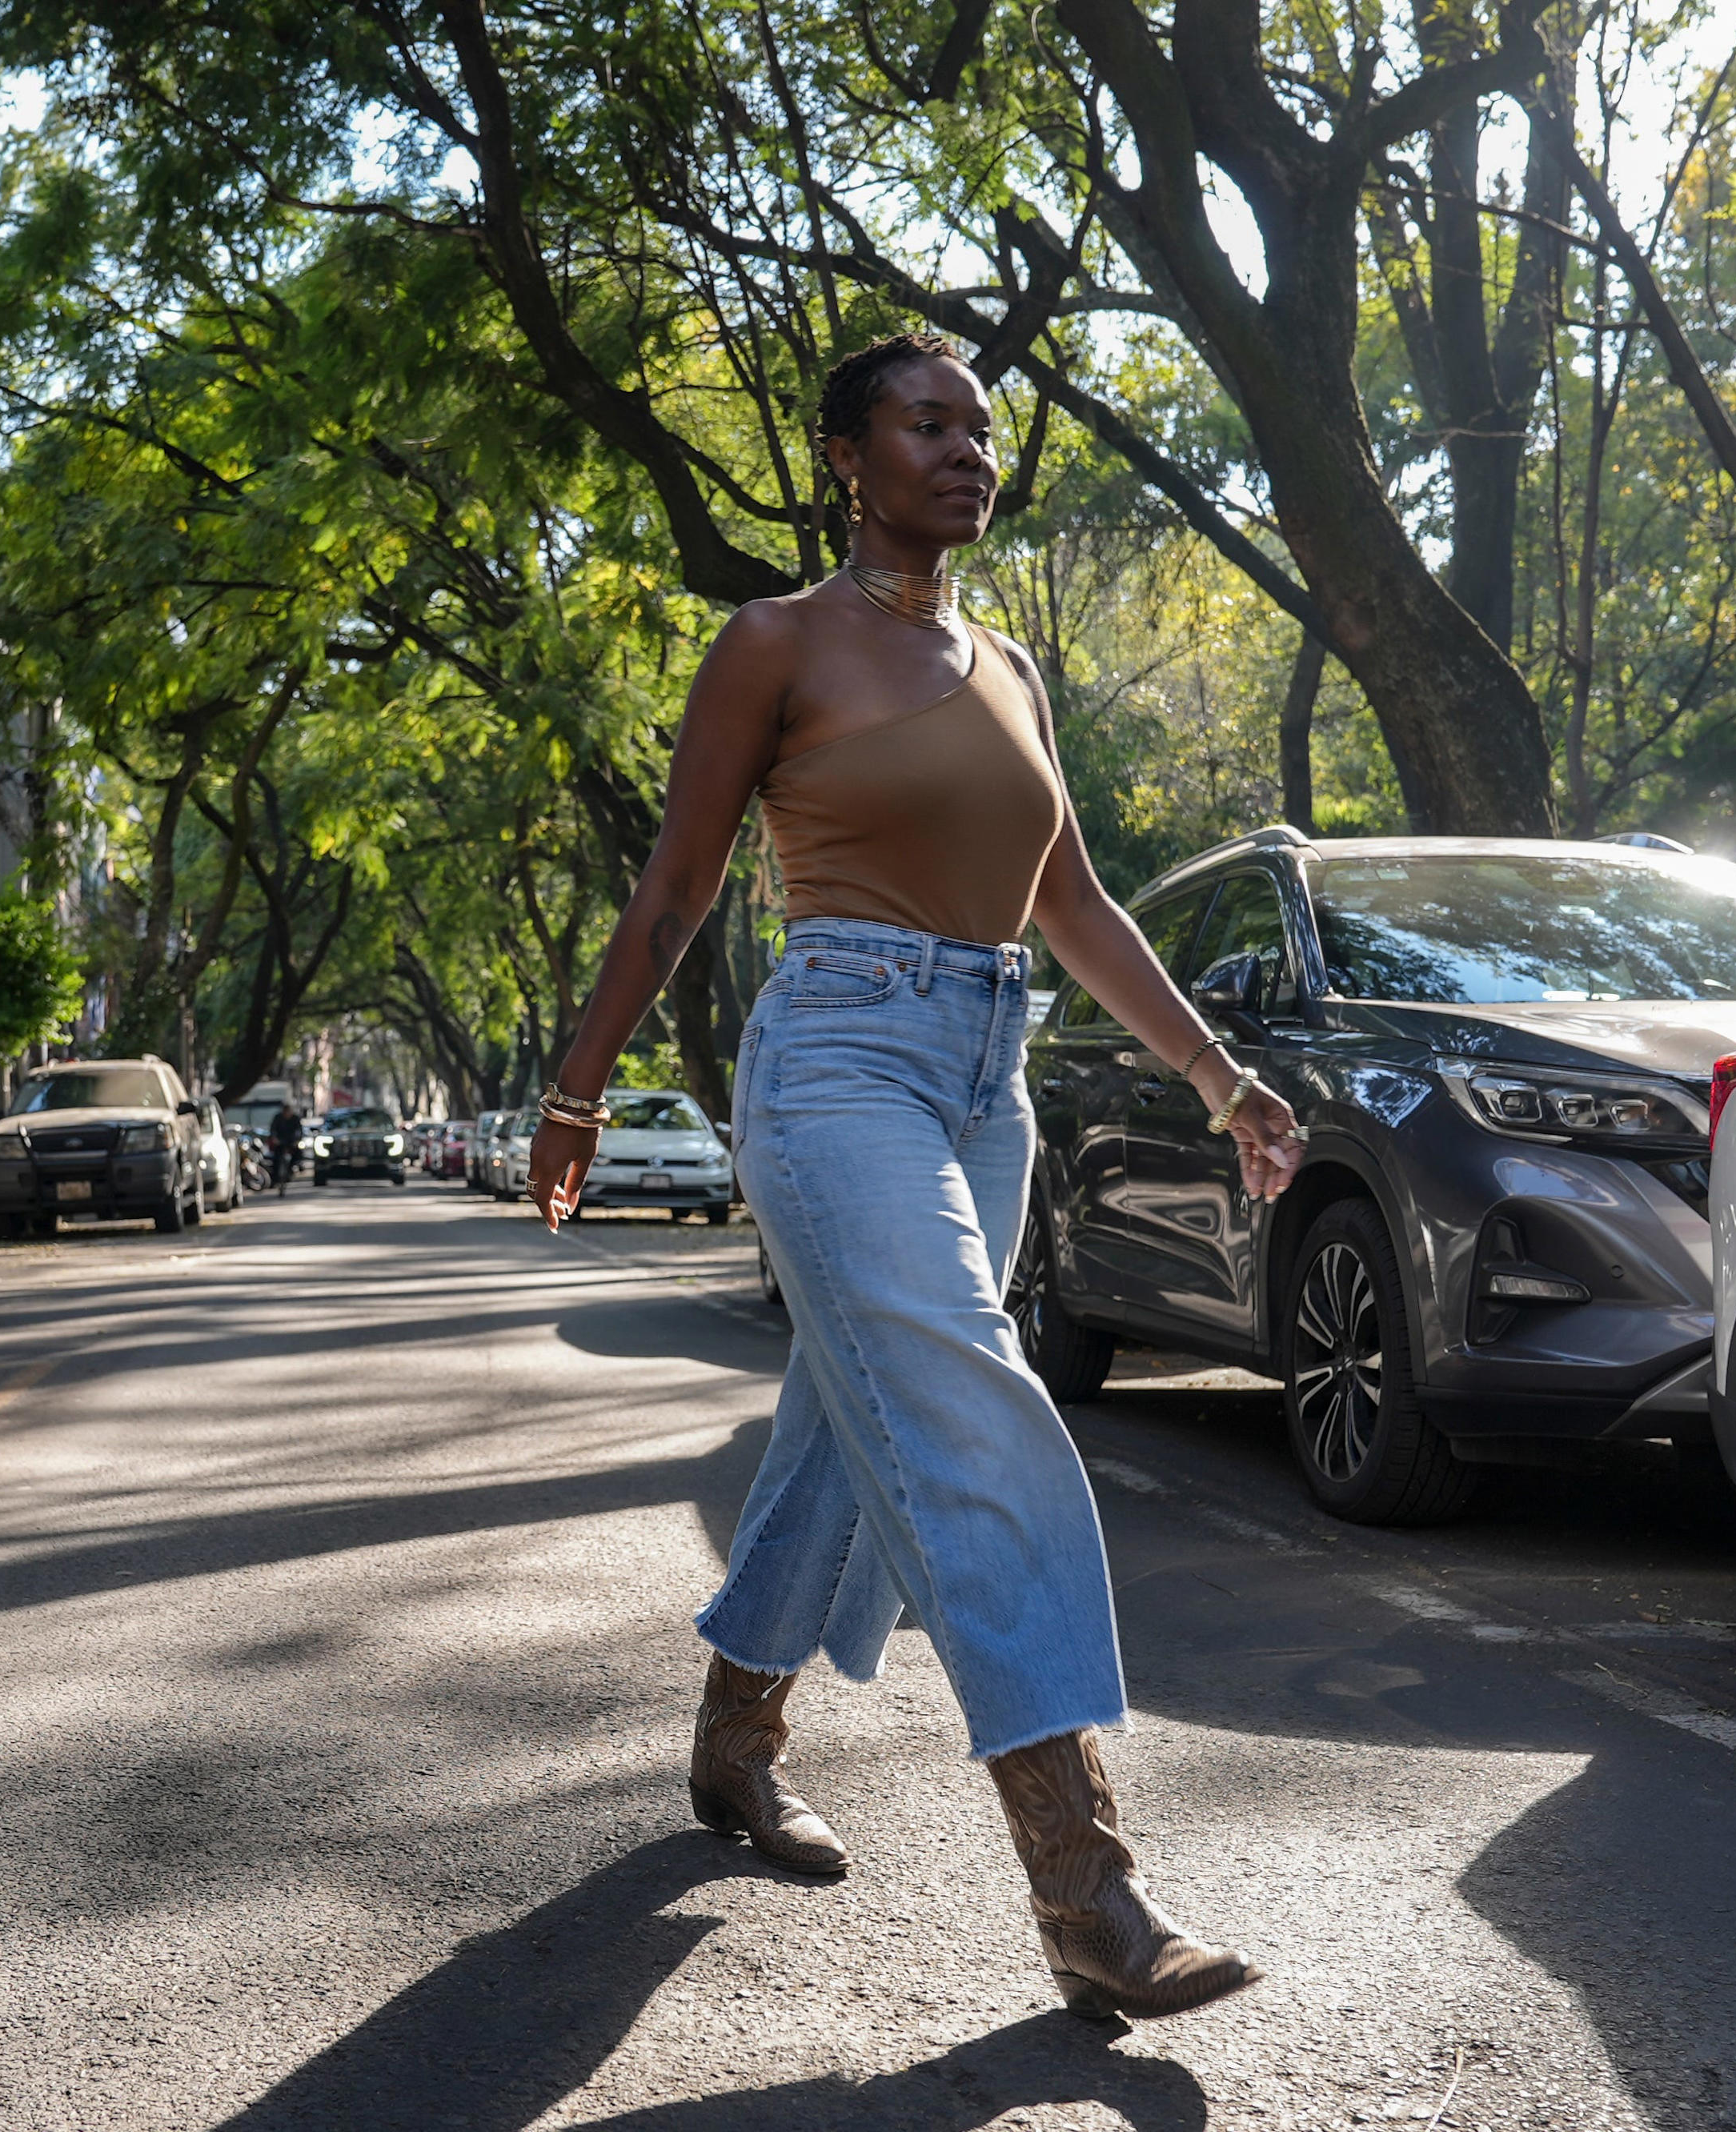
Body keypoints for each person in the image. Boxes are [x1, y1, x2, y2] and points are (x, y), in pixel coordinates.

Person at [523, 332, 1307, 2024]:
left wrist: (1216, 1074)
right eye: (924, 422)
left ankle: (735, 1739)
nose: (965, 449)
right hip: (836, 1058)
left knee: (841, 1418)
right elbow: (675, 886)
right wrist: (577, 1085)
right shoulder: (775, 644)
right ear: (843, 453)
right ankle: (1085, 1885)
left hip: (982, 1074)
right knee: (962, 1405)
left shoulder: (1013, 665)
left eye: (980, 427)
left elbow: (1073, 905)